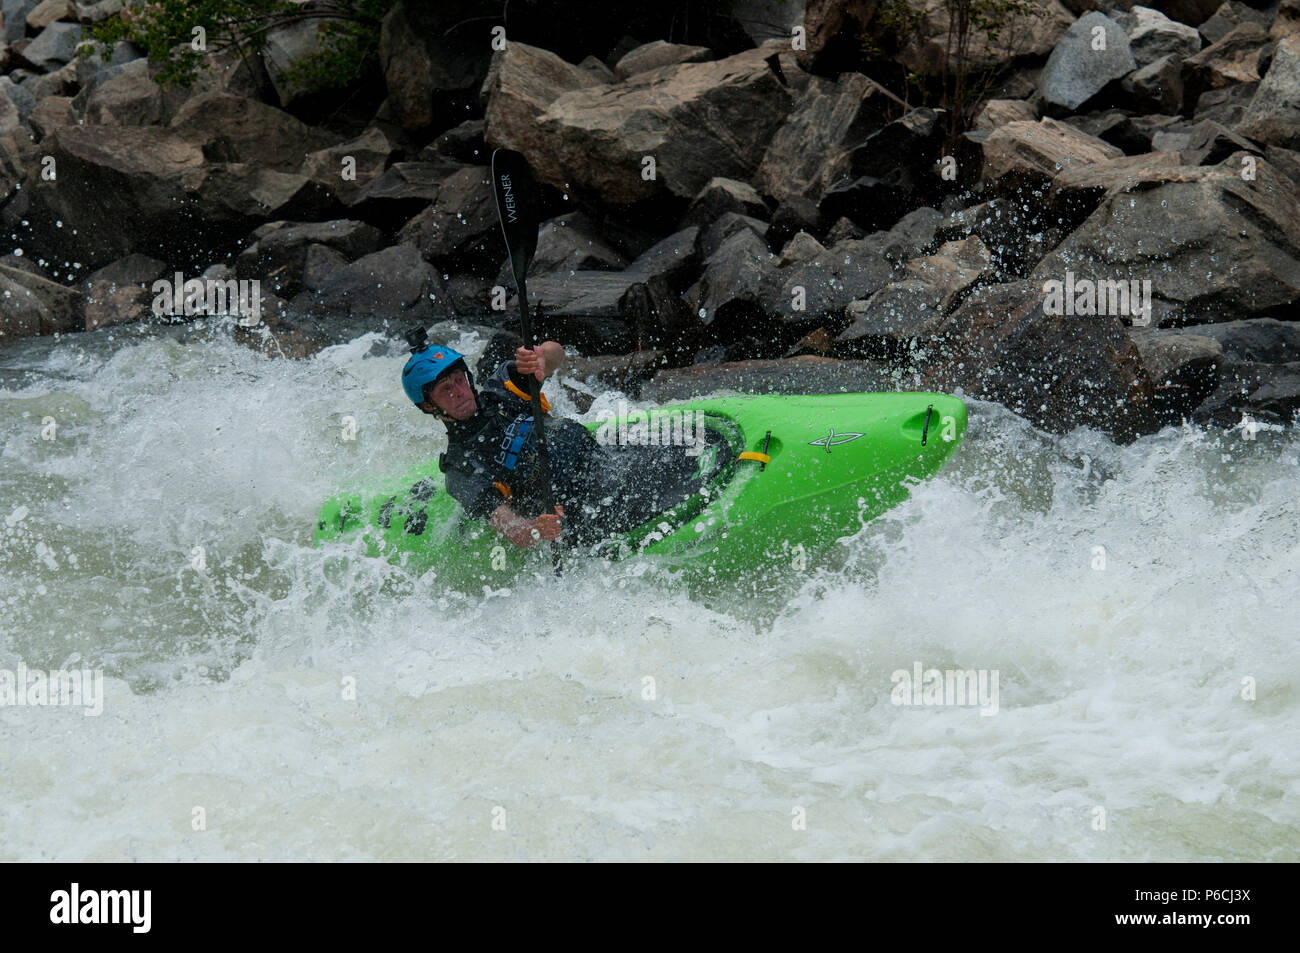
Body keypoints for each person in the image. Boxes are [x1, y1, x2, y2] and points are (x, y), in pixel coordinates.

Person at [401, 328, 619, 549]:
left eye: (459, 380)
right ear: (429, 405)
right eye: (445, 389)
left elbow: (556, 353)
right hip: (585, 511)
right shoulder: (461, 470)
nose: (458, 391)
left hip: (607, 461)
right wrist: (537, 528)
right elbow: (513, 531)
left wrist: (542, 358)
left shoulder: (503, 389)